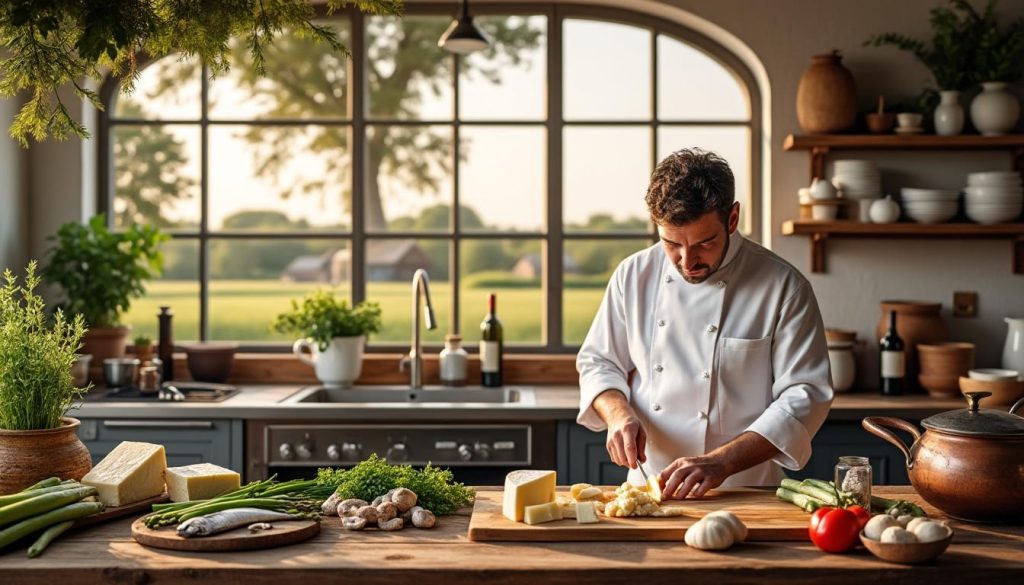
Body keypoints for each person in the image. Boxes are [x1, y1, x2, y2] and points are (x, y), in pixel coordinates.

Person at [576, 148, 833, 499]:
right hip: (650, 489)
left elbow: (805, 395)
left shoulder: (783, 286)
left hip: (745, 491)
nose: (687, 261)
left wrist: (721, 462)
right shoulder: (632, 276)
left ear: (732, 219)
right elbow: (599, 362)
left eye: (705, 243)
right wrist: (618, 414)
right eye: (671, 244)